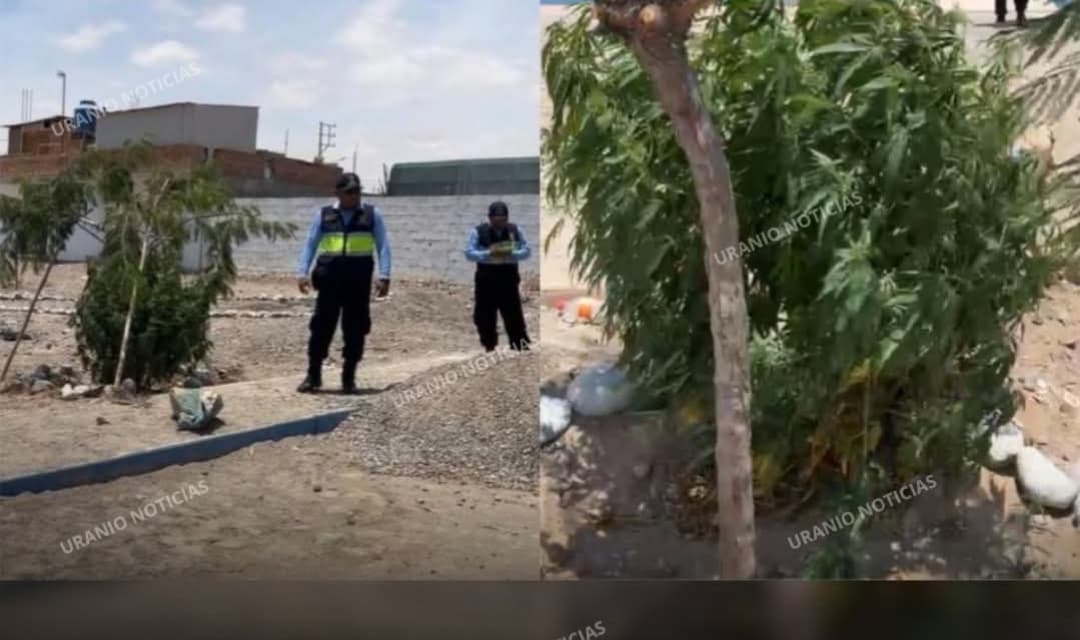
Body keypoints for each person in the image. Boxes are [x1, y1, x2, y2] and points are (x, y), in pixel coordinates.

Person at [295, 172, 391, 394]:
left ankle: (348, 377)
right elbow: (310, 244)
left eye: (357, 191)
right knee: (321, 327)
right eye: (349, 192)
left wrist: (384, 275)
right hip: (329, 281)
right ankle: (313, 375)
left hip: (357, 282)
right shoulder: (325, 215)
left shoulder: (372, 215)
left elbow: (383, 245)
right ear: (338, 193)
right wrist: (302, 272)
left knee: (355, 329)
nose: (354, 196)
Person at [464, 201, 532, 352]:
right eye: (496, 220)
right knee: (484, 315)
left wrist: (511, 254)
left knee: (513, 313)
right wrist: (488, 254)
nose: (500, 224)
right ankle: (489, 345)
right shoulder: (478, 232)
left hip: (508, 278)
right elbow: (469, 253)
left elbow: (526, 250)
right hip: (486, 279)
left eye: (503, 220)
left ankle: (519, 346)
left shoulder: (515, 230)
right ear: (490, 218)